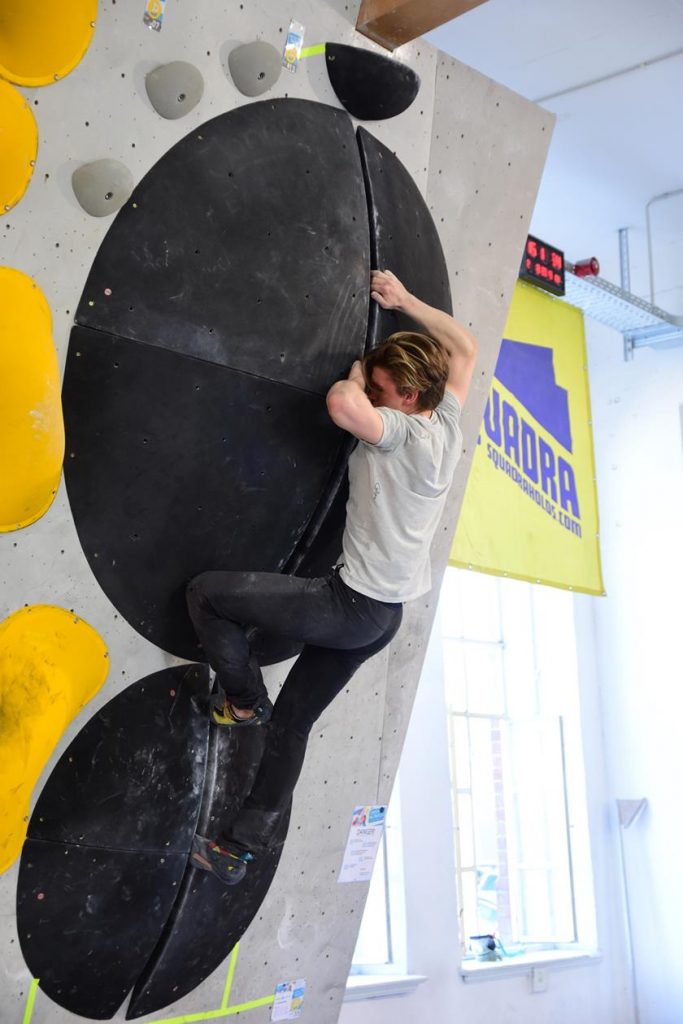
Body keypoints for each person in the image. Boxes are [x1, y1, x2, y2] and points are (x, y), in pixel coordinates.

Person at [186, 268, 477, 885]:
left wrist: (353, 379)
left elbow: (342, 406)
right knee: (293, 724)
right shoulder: (446, 422)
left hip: (350, 607)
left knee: (208, 595)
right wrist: (404, 303)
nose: (372, 391)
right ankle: (239, 851)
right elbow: (465, 348)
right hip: (384, 617)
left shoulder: (399, 432)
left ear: (405, 397)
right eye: (373, 383)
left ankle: (240, 701)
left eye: (382, 386)